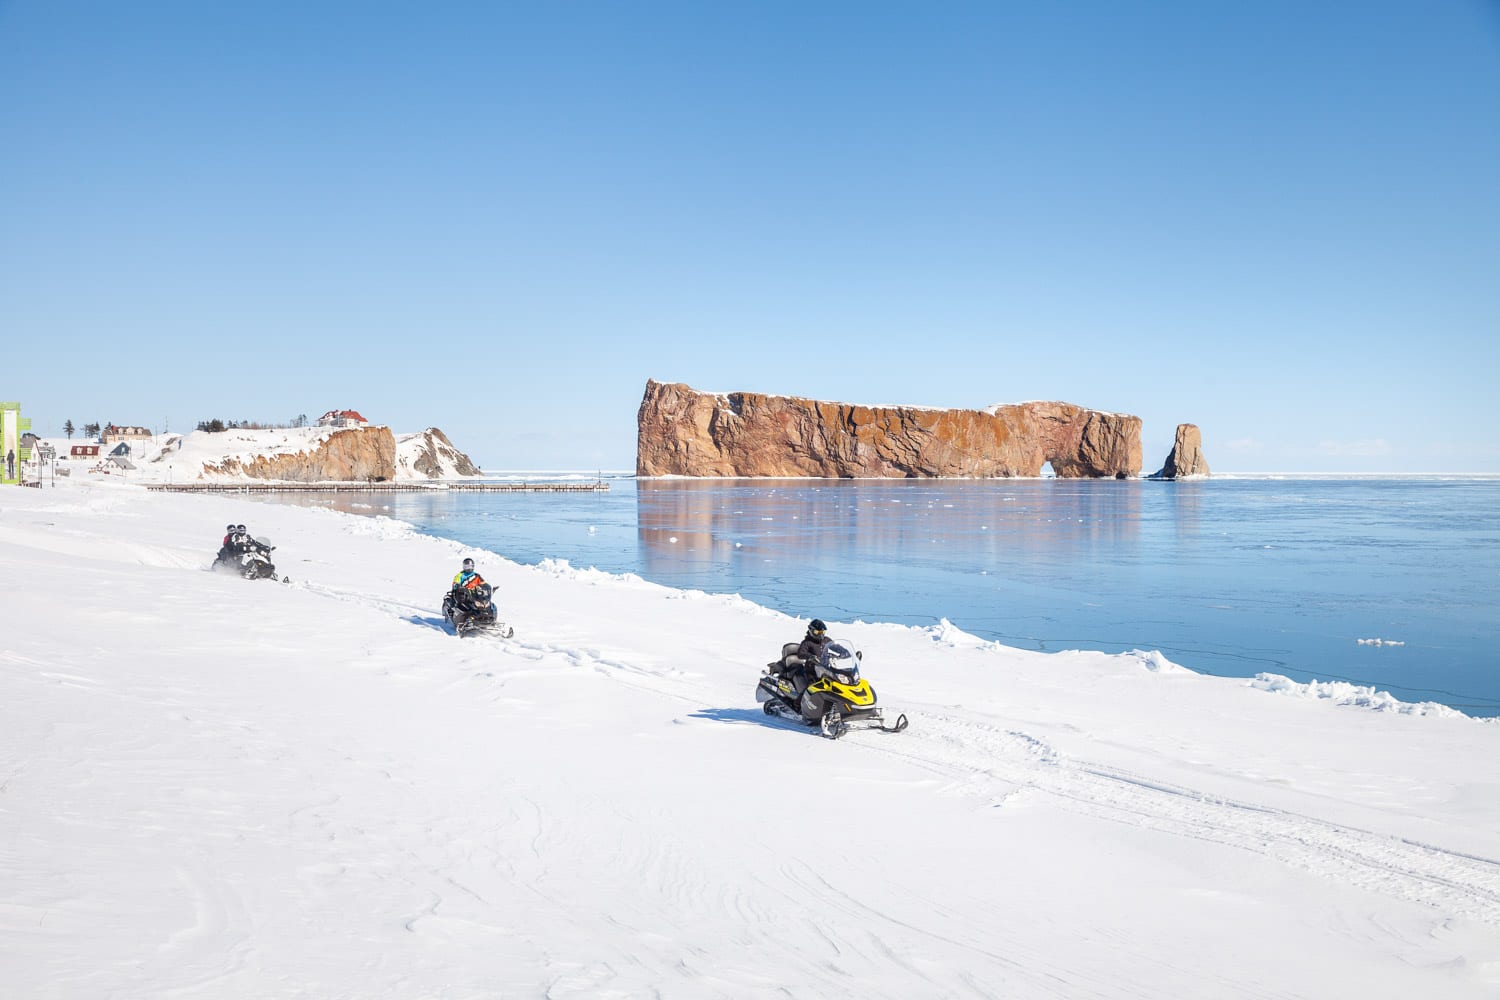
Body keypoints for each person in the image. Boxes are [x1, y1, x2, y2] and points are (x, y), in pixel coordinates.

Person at [448, 557, 488, 629]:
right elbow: (455, 583)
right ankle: (464, 619)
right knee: (467, 606)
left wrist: (487, 588)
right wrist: (458, 586)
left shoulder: (476, 576)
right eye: (467, 566)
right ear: (464, 567)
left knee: (485, 605)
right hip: (463, 594)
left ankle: (487, 618)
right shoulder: (460, 575)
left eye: (471, 566)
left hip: (475, 595)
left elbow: (484, 583)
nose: (469, 568)